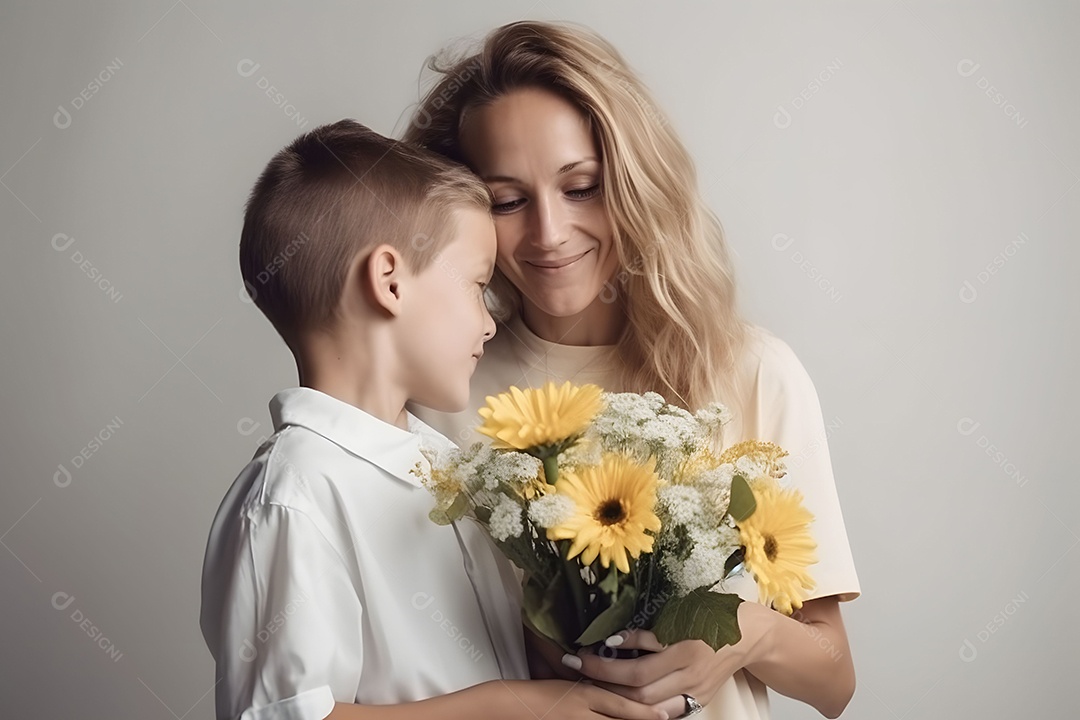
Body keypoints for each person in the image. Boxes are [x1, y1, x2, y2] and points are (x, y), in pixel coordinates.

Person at [406, 21, 861, 720]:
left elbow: (834, 683)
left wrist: (740, 636)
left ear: (635, 182)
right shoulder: (435, 396)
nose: (550, 233)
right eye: (508, 201)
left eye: (582, 187)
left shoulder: (752, 372)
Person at [199, 119, 676, 720]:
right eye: (478, 285)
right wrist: (513, 708)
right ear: (390, 282)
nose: (488, 322)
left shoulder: (444, 467)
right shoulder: (294, 496)